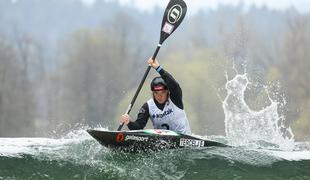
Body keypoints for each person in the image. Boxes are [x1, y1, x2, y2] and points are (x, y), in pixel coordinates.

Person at [119, 57, 191, 135]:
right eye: (156, 93)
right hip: (161, 142)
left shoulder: (175, 99)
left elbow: (174, 84)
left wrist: (158, 68)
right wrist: (128, 122)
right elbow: (139, 127)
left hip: (183, 138)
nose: (159, 96)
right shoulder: (148, 106)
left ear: (167, 91)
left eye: (162, 92)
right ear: (153, 93)